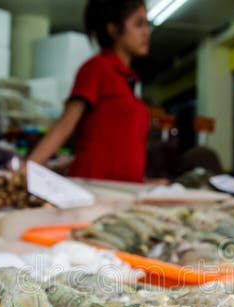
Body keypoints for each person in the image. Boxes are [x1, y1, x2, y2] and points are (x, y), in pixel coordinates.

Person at [28, 0, 151, 183]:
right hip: (93, 189)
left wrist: (145, 183)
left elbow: (124, 149)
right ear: (113, 28)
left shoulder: (128, 81)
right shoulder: (97, 68)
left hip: (124, 193)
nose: (146, 32)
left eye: (147, 25)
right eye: (138, 24)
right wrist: (27, 169)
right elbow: (65, 125)